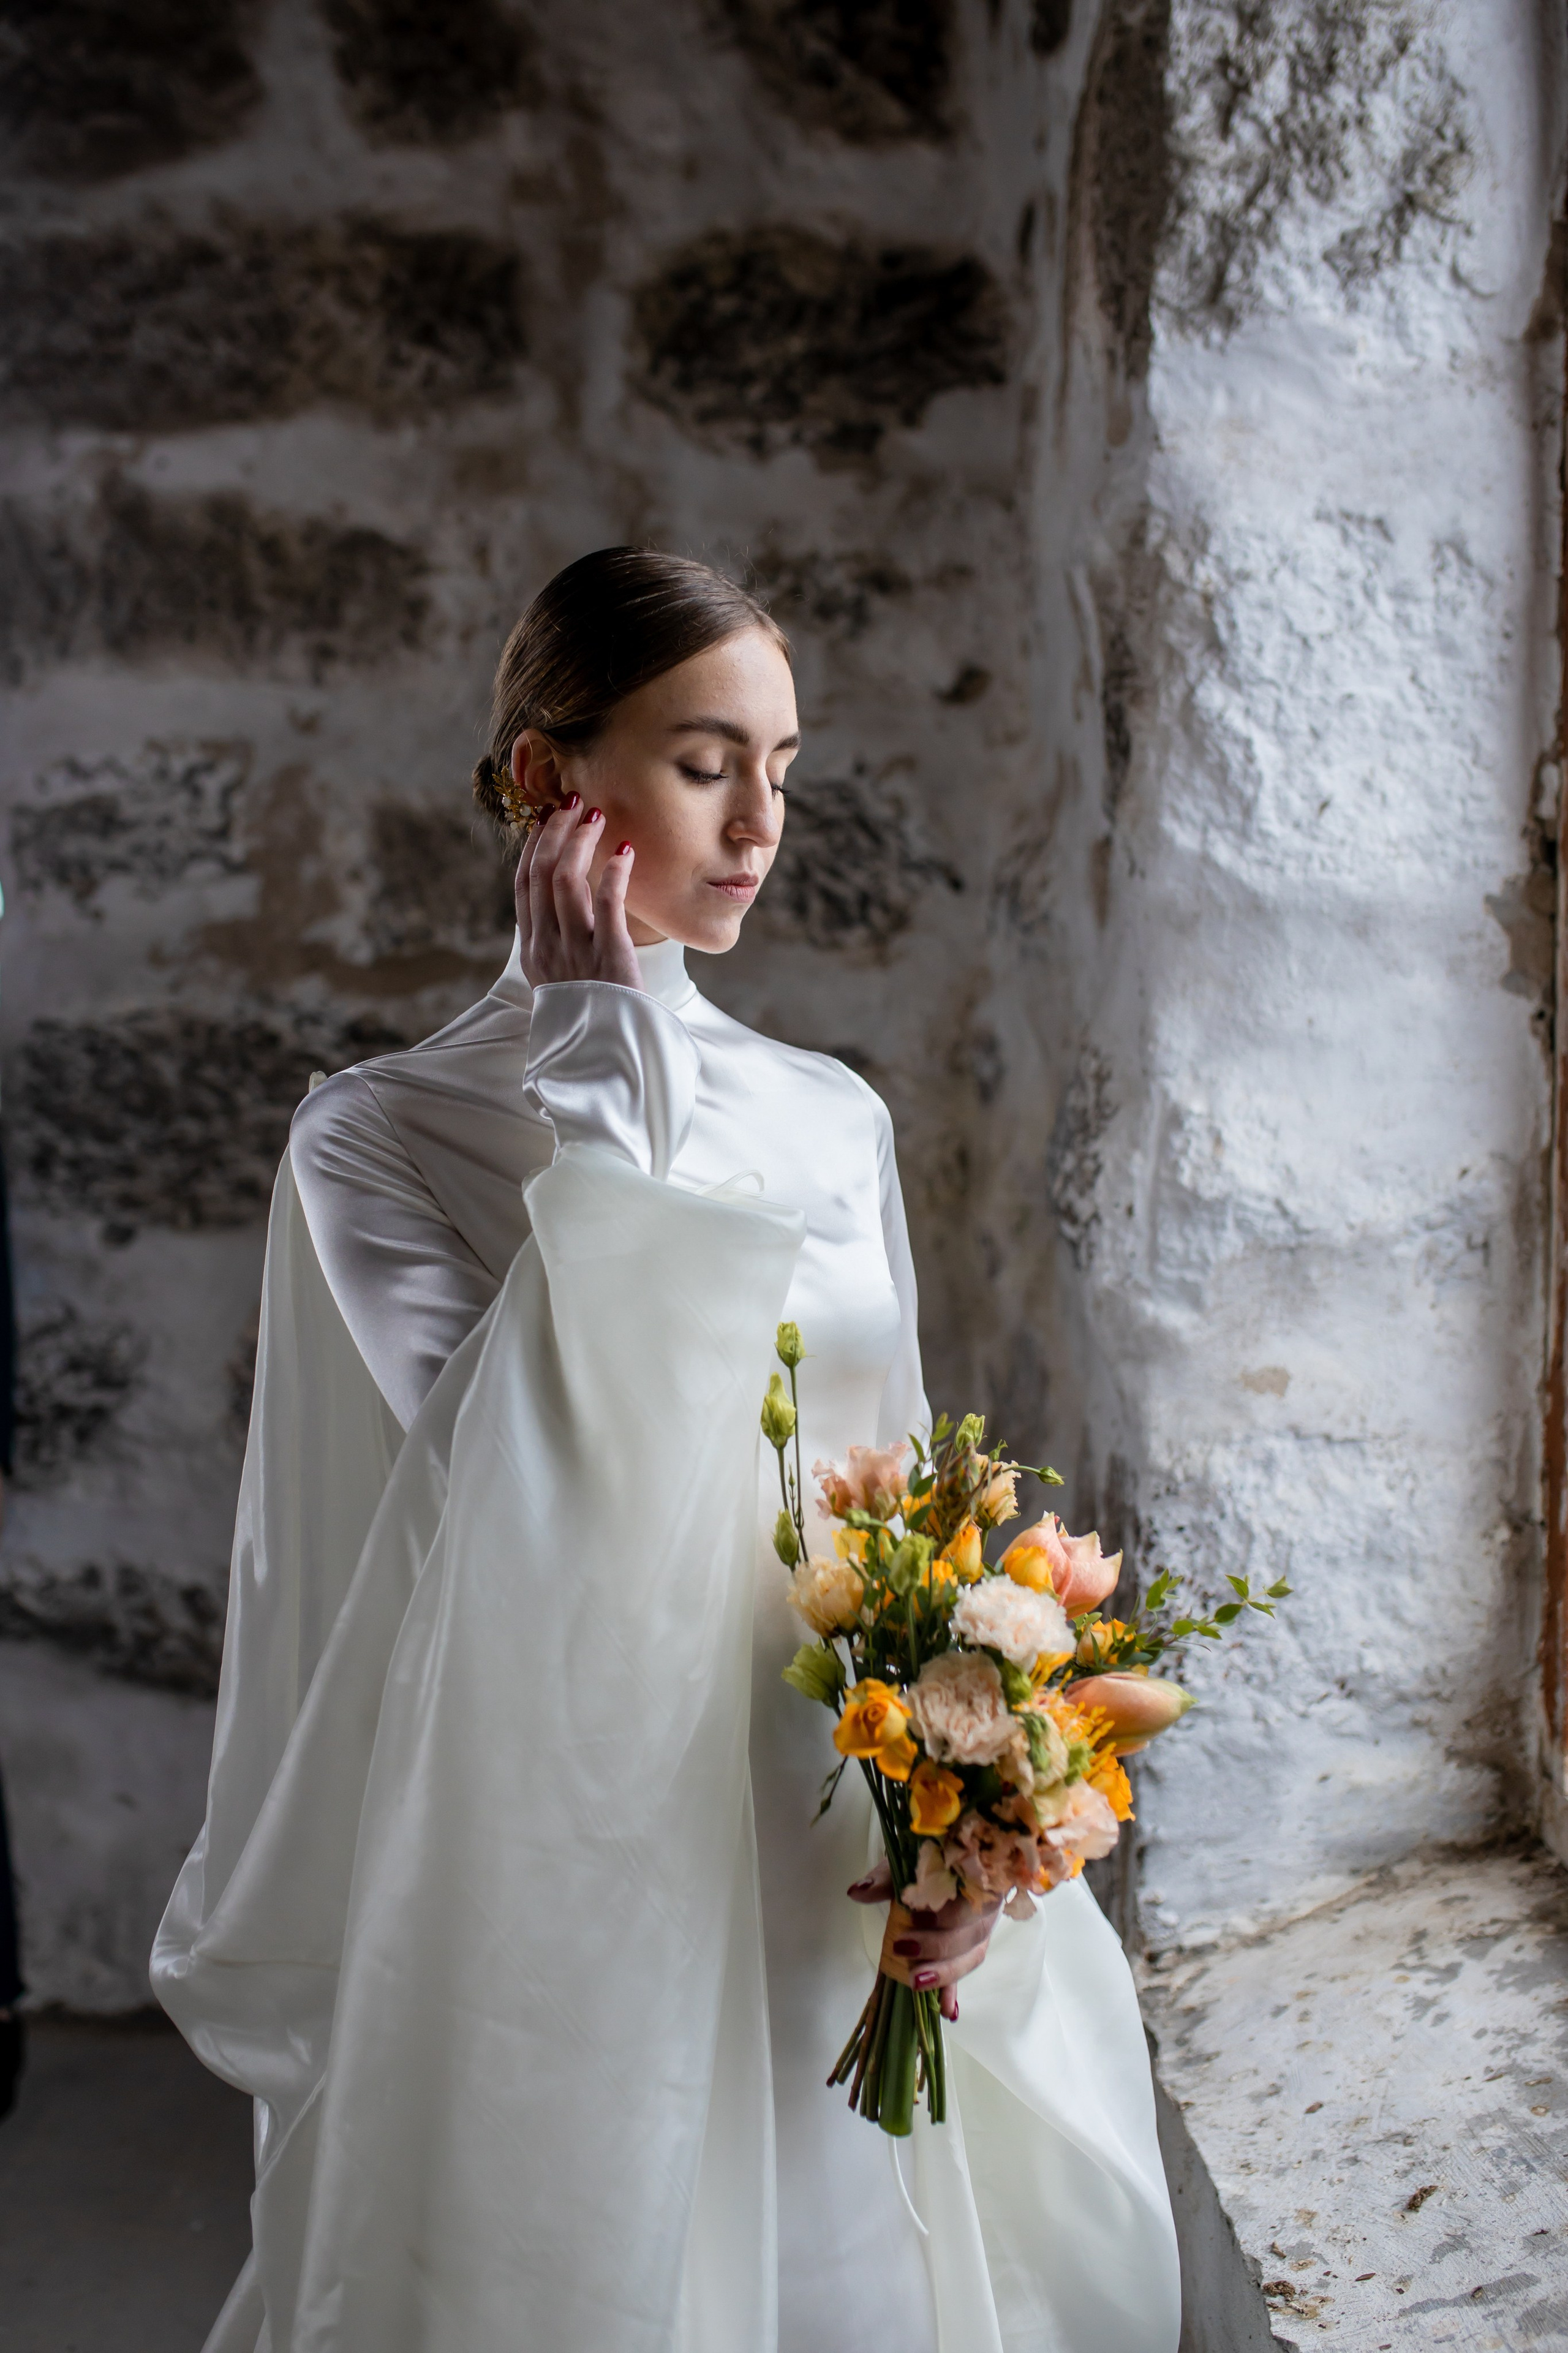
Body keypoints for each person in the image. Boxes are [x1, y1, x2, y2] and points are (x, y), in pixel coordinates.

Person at [153, 549, 1180, 2353]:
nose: (761, 822)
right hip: (572, 1873)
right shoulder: (374, 1144)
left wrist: (972, 1836)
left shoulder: (832, 1117)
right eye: (707, 764)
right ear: (546, 782)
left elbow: (907, 1523)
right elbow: (544, 1501)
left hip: (828, 1842)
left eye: (782, 768)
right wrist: (601, 1059)